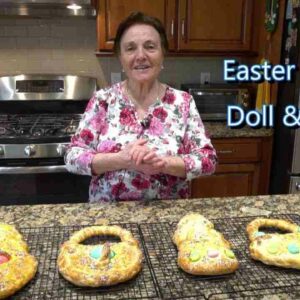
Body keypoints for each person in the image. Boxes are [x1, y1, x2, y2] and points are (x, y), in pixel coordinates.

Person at [65, 11, 217, 203]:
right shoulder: (103, 100)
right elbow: (72, 157)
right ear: (120, 58)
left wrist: (164, 164)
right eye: (130, 48)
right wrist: (122, 159)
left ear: (163, 54)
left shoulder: (183, 102)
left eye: (150, 47)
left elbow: (208, 160)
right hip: (107, 217)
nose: (140, 56)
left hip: (168, 216)